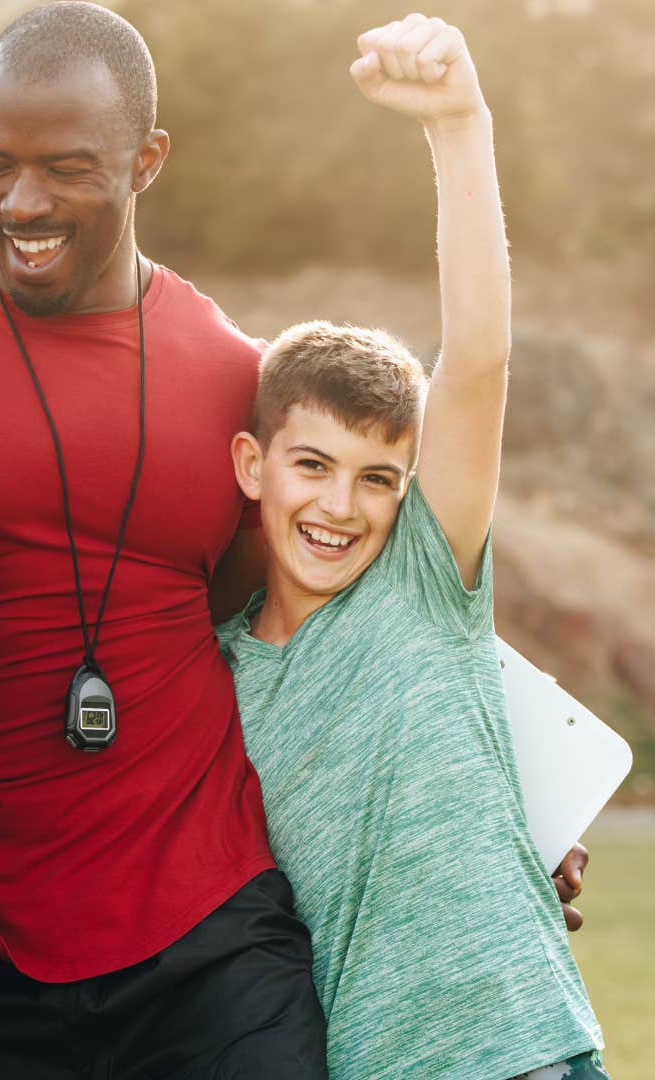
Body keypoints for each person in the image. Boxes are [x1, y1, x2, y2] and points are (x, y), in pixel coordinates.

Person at [0, 4, 587, 1076]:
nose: (22, 201)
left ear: (148, 162)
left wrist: (513, 815)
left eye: (66, 167)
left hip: (213, 924)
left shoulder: (234, 375)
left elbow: (352, 606)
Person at [217, 17, 606, 1079]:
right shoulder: (214, 669)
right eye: (312, 466)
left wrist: (460, 126)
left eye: (378, 477)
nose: (340, 505)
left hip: (529, 1050)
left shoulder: (426, 583)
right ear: (253, 464)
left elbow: (478, 357)